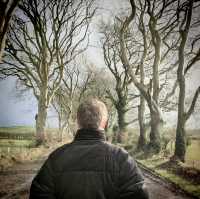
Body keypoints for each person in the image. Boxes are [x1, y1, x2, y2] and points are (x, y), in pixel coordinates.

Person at [29, 98, 149, 199]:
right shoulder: (121, 157)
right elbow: (139, 194)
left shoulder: (56, 157)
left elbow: (38, 194)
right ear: (105, 122)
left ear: (78, 121)